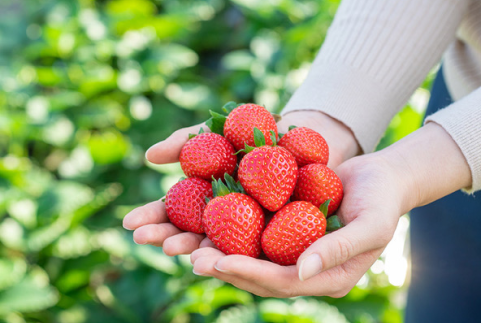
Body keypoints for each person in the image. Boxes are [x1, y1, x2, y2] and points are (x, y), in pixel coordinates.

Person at [123, 0, 481, 321]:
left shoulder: (255, 182)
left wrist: (416, 167)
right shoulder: (264, 170)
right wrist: (332, 115)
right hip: (453, 130)